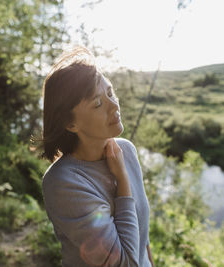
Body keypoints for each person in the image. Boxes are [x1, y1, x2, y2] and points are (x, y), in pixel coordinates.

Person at [41, 46, 154, 267]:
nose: (114, 107)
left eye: (110, 93)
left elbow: (143, 236)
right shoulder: (63, 183)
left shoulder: (126, 150)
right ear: (70, 123)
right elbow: (126, 263)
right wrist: (122, 181)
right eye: (98, 104)